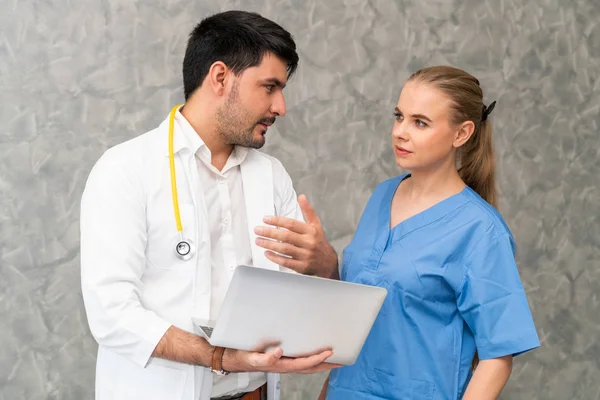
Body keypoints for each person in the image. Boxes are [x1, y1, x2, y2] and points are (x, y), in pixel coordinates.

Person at [80, 10, 340, 400]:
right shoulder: (125, 171)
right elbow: (111, 314)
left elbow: (293, 301)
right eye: (269, 87)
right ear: (220, 77)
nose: (281, 106)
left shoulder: (272, 175)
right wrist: (220, 357)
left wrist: (325, 266)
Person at [316, 66, 541, 400]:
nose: (400, 132)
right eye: (399, 116)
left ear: (461, 134)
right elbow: (357, 323)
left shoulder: (480, 230)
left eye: (419, 122)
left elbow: (497, 357)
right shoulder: (382, 196)